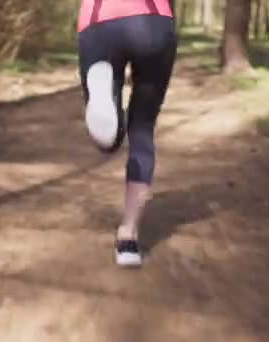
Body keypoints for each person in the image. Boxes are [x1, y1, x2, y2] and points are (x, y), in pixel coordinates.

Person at [78, 0, 177, 267]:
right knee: (143, 127)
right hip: (154, 20)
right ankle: (128, 237)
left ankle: (106, 115)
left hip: (99, 21)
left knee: (107, 138)